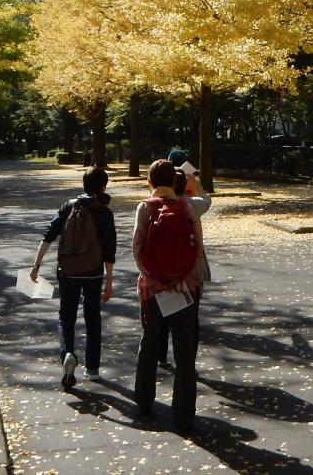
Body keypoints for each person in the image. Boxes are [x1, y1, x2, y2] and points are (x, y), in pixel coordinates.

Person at [133, 158, 205, 434]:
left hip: (153, 290)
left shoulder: (145, 208)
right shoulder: (187, 207)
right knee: (184, 353)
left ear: (150, 182)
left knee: (149, 345)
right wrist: (182, 280)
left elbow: (137, 248)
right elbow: (197, 247)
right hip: (183, 289)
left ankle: (144, 400)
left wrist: (154, 280)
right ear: (175, 182)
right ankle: (185, 412)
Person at [31, 167, 117, 388]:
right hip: (93, 272)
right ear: (103, 186)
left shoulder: (69, 206)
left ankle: (67, 354)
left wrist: (36, 266)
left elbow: (48, 236)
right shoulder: (104, 212)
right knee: (93, 318)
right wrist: (108, 282)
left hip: (68, 271)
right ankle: (93, 369)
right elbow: (109, 250)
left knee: (66, 317)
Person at [157, 148, 211, 370]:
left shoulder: (154, 204)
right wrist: (195, 184)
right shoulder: (192, 205)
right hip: (190, 267)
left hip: (162, 267)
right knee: (191, 317)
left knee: (163, 313)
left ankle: (161, 354)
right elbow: (207, 200)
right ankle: (188, 359)